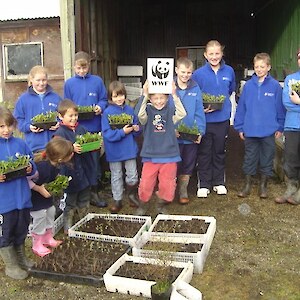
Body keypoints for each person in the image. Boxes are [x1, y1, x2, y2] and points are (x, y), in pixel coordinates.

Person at [234, 53, 285, 199]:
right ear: (253, 67)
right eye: (257, 66)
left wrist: (280, 126)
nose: (259, 69)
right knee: (250, 157)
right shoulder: (248, 86)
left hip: (268, 130)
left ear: (268, 67)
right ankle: (247, 185)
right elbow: (241, 107)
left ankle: (263, 186)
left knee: (267, 158)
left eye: (262, 66)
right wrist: (240, 126)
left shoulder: (275, 86)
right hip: (250, 130)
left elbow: (280, 108)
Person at [134, 81, 186, 215]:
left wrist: (174, 95)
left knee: (167, 184)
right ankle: (143, 205)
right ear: (151, 99)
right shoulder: (148, 112)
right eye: (155, 98)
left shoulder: (170, 111)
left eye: (162, 98)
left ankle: (161, 204)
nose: (159, 101)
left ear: (166, 98)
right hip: (150, 154)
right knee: (146, 183)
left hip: (169, 154)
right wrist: (144, 95)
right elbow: (139, 115)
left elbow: (182, 114)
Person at [192, 40, 236, 197]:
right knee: (204, 151)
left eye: (217, 53)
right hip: (204, 120)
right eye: (211, 54)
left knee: (219, 151)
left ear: (222, 54)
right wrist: (200, 108)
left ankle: (218, 182)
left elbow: (230, 90)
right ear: (205, 55)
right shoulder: (198, 74)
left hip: (222, 119)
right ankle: (204, 183)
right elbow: (194, 95)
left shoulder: (229, 71)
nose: (214, 57)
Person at [64, 51, 108, 207]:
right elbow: (67, 104)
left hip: (94, 128)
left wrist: (99, 107)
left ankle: (94, 192)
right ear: (74, 67)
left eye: (84, 68)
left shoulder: (97, 81)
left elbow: (103, 99)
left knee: (94, 162)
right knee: (78, 162)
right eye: (78, 68)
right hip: (76, 128)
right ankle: (80, 195)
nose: (81, 71)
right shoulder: (69, 83)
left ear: (89, 65)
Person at [0, 106, 36, 280]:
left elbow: (32, 165)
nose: (6, 130)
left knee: (21, 228)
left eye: (9, 125)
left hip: (22, 197)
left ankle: (21, 257)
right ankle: (11, 265)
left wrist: (30, 168)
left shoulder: (21, 144)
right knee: (6, 231)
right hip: (4, 202)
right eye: (1, 127)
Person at [54, 99, 100, 233]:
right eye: (70, 116)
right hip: (70, 173)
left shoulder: (82, 129)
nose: (74, 118)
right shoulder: (59, 134)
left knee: (84, 198)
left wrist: (95, 144)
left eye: (75, 115)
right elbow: (57, 152)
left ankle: (84, 222)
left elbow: (90, 142)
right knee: (70, 202)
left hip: (84, 171)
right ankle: (68, 227)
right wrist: (70, 148)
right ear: (61, 116)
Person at [28, 137, 74, 257]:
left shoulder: (55, 166)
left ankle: (47, 238)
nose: (71, 155)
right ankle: (37, 243)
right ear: (60, 158)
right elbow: (27, 181)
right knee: (40, 216)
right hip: (36, 199)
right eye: (69, 154)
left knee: (51, 211)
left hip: (46, 197)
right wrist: (39, 189)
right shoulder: (41, 167)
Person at [101, 81, 141, 213]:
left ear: (125, 95)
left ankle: (131, 195)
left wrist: (136, 129)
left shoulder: (130, 110)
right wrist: (123, 132)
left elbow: (137, 130)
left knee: (132, 174)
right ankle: (117, 200)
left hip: (129, 148)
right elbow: (107, 134)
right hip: (114, 150)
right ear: (110, 98)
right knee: (116, 175)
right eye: (115, 96)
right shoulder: (107, 113)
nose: (119, 99)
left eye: (121, 95)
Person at [174, 57, 206, 204]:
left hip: (190, 135)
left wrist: (200, 131)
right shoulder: (169, 87)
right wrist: (170, 129)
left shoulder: (195, 88)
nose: (185, 75)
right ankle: (169, 190)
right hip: (173, 135)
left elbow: (199, 111)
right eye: (183, 72)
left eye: (188, 72)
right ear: (176, 71)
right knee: (173, 162)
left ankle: (183, 190)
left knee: (188, 162)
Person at [14, 65, 61, 153]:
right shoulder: (23, 100)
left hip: (55, 144)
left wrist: (59, 123)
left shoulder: (55, 98)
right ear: (31, 80)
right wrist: (29, 127)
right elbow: (17, 120)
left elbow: (63, 115)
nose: (41, 83)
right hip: (34, 146)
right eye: (38, 80)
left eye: (44, 80)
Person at [275, 48, 300, 204]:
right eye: (299, 57)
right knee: (290, 159)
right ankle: (291, 188)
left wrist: (298, 102)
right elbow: (287, 103)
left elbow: (294, 103)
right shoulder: (290, 79)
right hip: (292, 126)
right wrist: (294, 103)